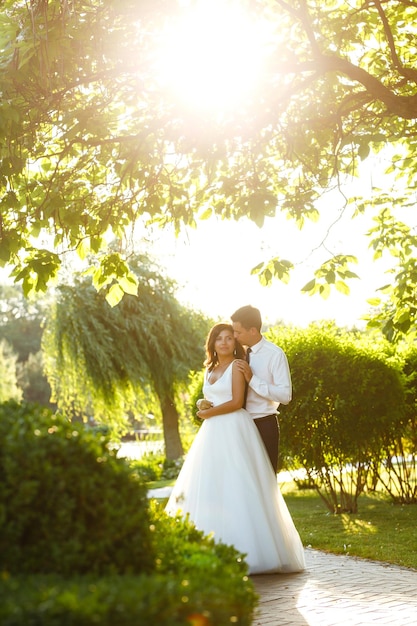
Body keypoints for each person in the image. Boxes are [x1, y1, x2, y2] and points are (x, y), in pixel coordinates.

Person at [165, 323, 305, 575]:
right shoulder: (210, 368)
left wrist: (205, 413)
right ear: (212, 344)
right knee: (212, 484)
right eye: (219, 338)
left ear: (235, 343)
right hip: (213, 433)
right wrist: (202, 403)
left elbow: (236, 402)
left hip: (234, 427)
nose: (225, 342)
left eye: (230, 338)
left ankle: (251, 550)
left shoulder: (238, 367)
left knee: (239, 483)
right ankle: (210, 547)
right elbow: (214, 397)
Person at [231, 305, 291, 474]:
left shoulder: (275, 355)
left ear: (253, 330)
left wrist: (253, 379)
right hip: (236, 426)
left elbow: (285, 395)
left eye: (238, 332)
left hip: (263, 425)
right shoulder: (235, 353)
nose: (234, 336)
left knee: (266, 481)